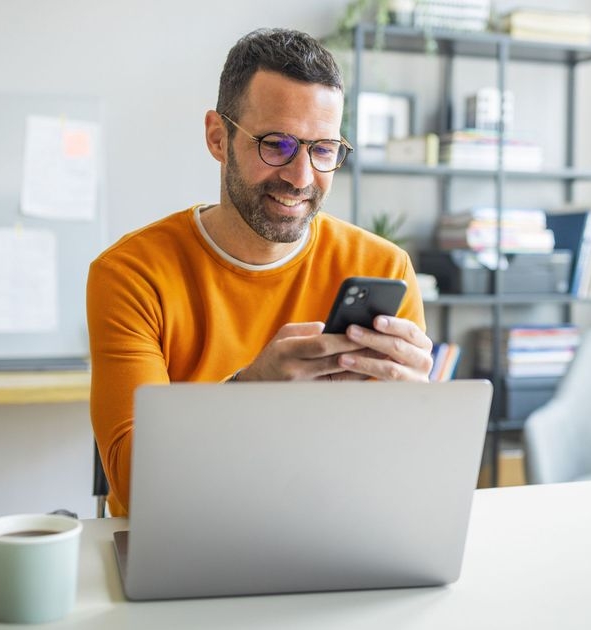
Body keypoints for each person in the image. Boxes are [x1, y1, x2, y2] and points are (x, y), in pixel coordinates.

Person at [87, 28, 432, 517]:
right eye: (277, 144)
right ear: (217, 137)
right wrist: (248, 396)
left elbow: (401, 476)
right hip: (184, 534)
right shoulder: (131, 274)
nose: (301, 177)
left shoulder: (383, 268)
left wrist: (421, 415)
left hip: (329, 529)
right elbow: (135, 483)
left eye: (323, 149)